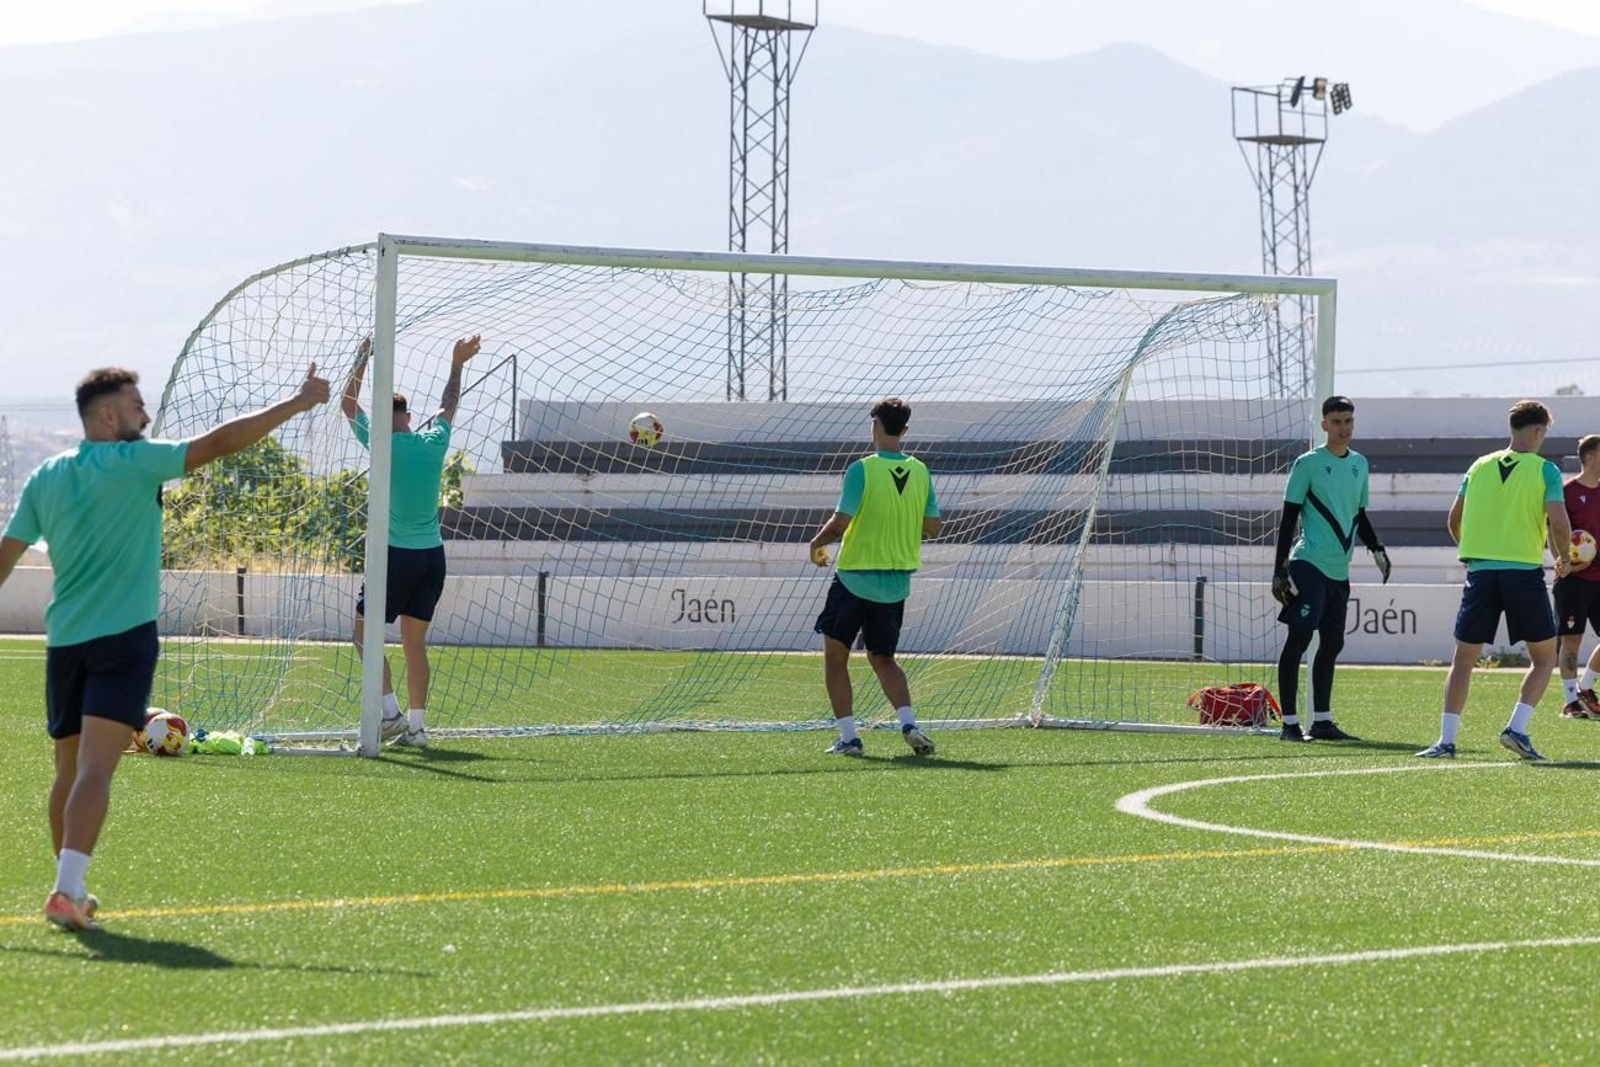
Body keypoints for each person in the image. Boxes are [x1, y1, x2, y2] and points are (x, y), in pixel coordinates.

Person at [0, 363, 330, 931]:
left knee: (68, 771)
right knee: (96, 772)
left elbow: (4, 557)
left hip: (66, 642)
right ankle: (66, 889)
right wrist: (296, 403)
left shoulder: (46, 476)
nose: (146, 415)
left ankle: (69, 887)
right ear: (107, 416)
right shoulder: (133, 462)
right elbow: (221, 442)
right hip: (122, 640)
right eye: (135, 405)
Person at [341, 334, 478, 747]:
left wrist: (362, 357)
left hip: (396, 556)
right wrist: (457, 364)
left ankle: (390, 715)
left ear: (384, 418)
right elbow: (448, 404)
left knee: (363, 634)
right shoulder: (434, 442)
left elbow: (348, 404)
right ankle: (416, 729)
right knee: (413, 644)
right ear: (408, 415)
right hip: (433, 557)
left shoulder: (381, 444)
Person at [1417, 400, 1571, 759]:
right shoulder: (1544, 470)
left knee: (1463, 661)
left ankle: (1446, 740)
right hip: (1523, 574)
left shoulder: (1479, 466)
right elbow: (1560, 523)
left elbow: (1454, 519)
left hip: (1481, 574)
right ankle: (1516, 729)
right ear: (1537, 431)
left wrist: (1474, 550)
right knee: (1546, 658)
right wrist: (1563, 558)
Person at [808, 398, 941, 757]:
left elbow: (840, 523)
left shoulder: (862, 469)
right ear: (905, 431)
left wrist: (816, 544)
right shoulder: (921, 471)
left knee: (836, 658)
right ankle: (910, 724)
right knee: (883, 658)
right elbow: (932, 527)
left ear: (875, 425)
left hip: (854, 578)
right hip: (895, 582)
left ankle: (849, 737)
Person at [1271, 396, 1391, 742]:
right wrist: (1279, 570)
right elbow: (1289, 518)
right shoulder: (1307, 464)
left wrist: (1377, 549)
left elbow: (1359, 515)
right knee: (1299, 639)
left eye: (1349, 421)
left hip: (1340, 570)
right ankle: (1290, 723)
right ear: (1324, 425)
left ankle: (1321, 721)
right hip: (1308, 563)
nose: (1344, 428)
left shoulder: (1360, 464)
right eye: (1337, 421)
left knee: (1333, 642)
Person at [1554, 433, 1600, 719]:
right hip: (1573, 580)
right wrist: (1564, 560)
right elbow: (1554, 530)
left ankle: (1585, 688)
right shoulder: (1567, 492)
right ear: (1590, 457)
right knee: (1572, 639)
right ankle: (1571, 702)